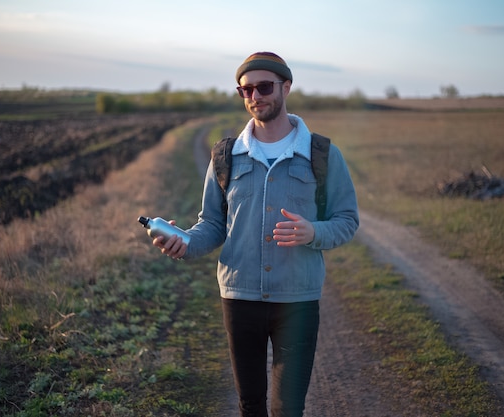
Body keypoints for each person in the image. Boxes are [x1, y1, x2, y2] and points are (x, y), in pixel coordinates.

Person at [150, 51, 359, 417]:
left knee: (288, 407)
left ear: (286, 87)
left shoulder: (321, 154)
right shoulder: (227, 156)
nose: (254, 96)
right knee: (250, 406)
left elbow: (346, 220)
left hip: (297, 301)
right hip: (239, 298)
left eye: (264, 87)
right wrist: (184, 244)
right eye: (245, 90)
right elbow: (213, 224)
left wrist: (313, 231)